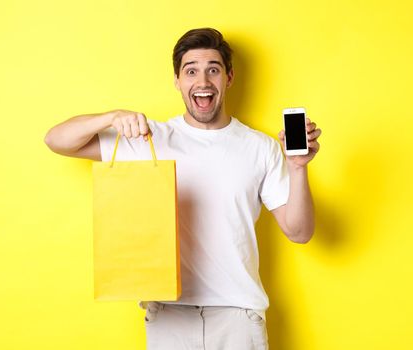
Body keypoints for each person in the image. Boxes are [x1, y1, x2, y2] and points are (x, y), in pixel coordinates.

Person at [44, 27, 321, 350]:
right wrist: (111, 116)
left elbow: (299, 232)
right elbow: (56, 140)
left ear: (228, 78)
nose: (202, 81)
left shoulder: (261, 147)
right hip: (168, 316)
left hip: (237, 316)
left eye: (213, 70)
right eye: (191, 71)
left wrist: (298, 168)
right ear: (177, 80)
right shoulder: (148, 139)